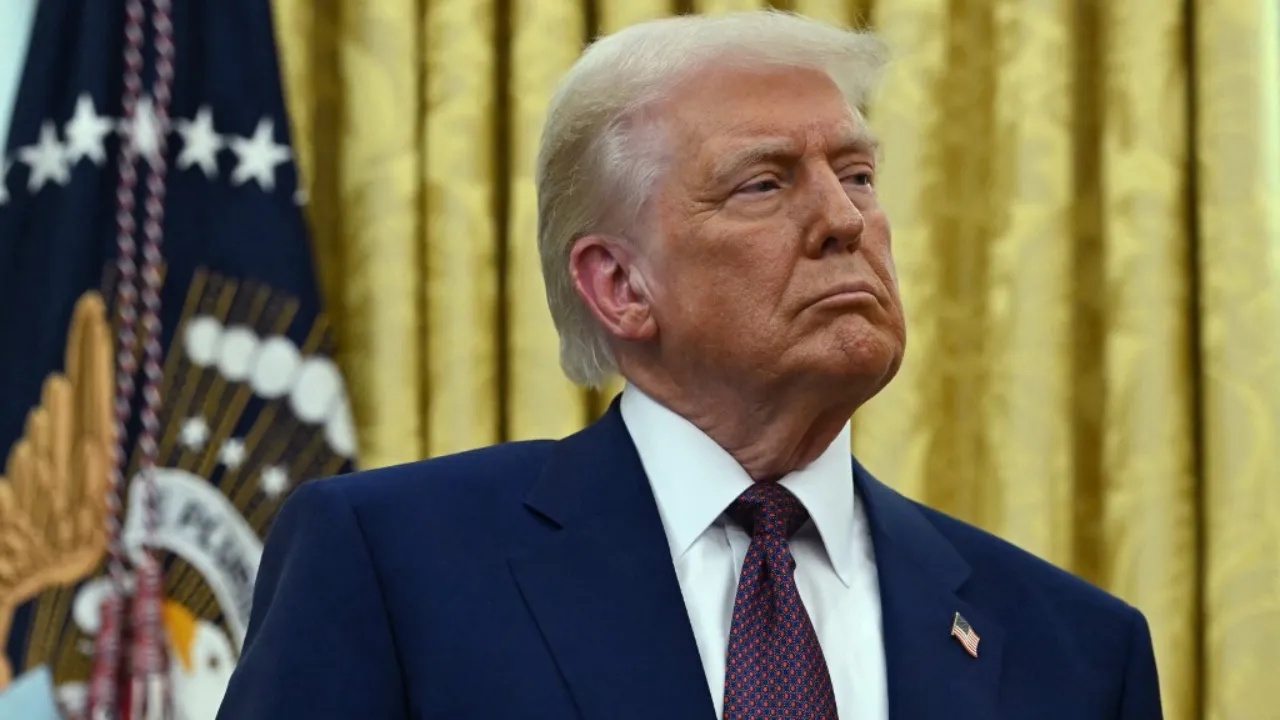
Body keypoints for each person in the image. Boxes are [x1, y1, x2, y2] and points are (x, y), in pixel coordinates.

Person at [216, 10, 1162, 720]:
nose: (845, 220)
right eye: (765, 183)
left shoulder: (1073, 647)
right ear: (620, 284)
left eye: (859, 174)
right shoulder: (395, 566)